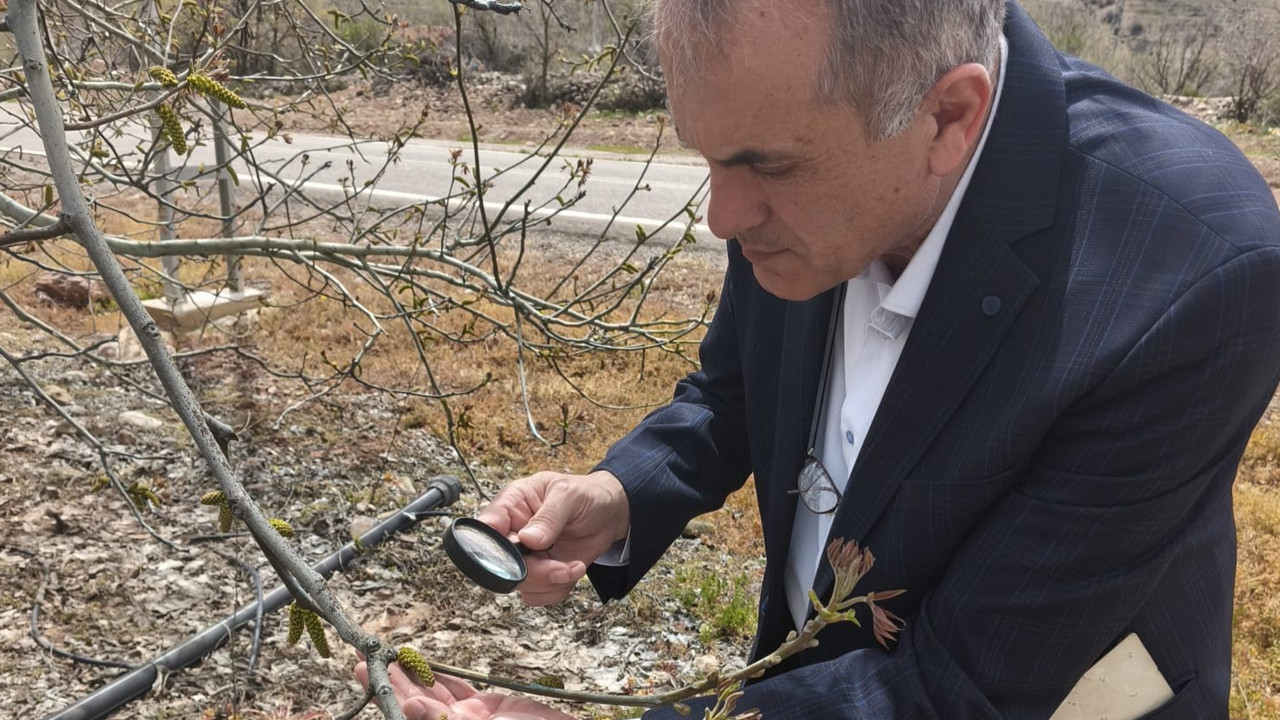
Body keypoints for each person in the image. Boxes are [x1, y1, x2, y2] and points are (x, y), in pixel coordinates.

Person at [356, 0, 1280, 717]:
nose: (722, 217)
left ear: (949, 117)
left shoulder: (1192, 274)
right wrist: (623, 493)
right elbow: (735, 388)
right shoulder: (798, 143)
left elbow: (959, 691)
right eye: (709, 159)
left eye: (765, 167)